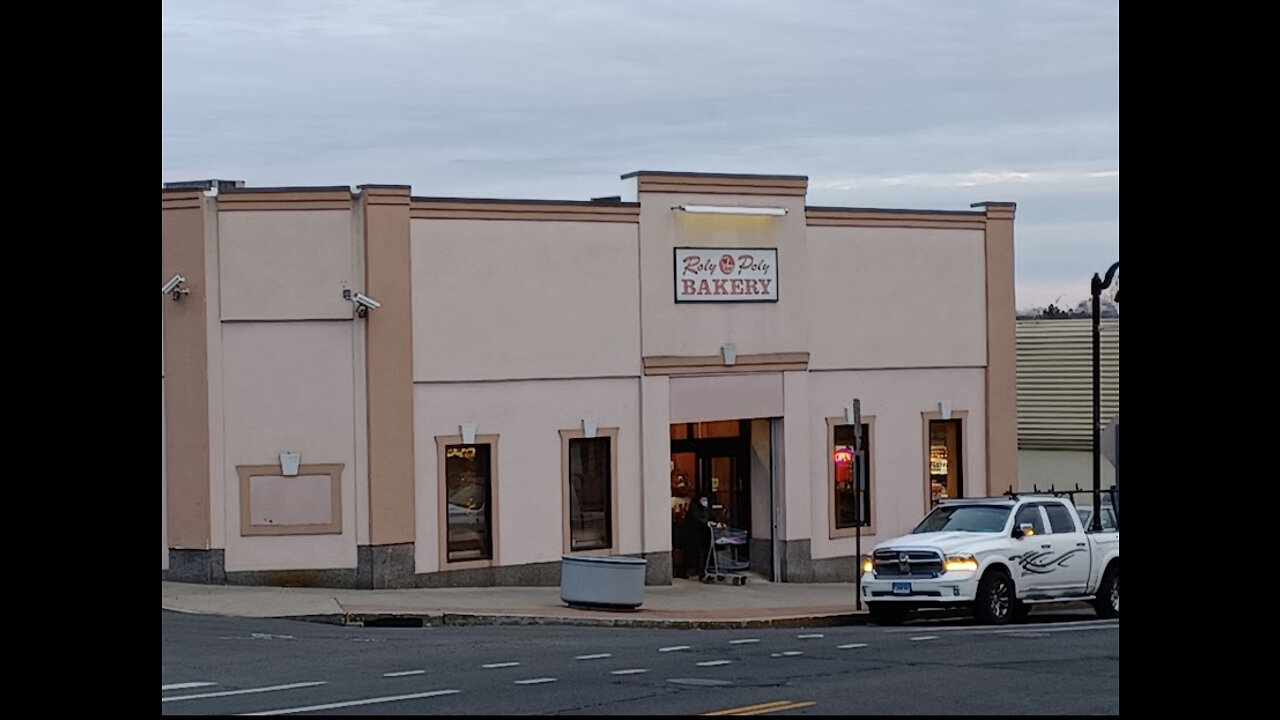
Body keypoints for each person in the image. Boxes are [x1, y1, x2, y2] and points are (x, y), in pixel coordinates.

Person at [680, 495, 717, 579]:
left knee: (703, 553)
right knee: (693, 554)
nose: (705, 502)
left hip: (703, 534)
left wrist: (714, 521)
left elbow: (712, 515)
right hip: (693, 534)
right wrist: (705, 523)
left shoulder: (706, 509)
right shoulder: (694, 508)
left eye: (706, 500)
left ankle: (704, 571)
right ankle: (694, 572)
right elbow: (696, 519)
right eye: (703, 500)